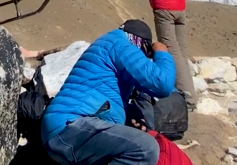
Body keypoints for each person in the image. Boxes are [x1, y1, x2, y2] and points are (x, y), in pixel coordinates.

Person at [40, 19, 176, 165]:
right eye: (145, 53)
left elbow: (105, 95)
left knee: (133, 143)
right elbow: (162, 84)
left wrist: (129, 116)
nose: (144, 57)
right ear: (141, 43)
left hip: (67, 127)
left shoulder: (111, 43)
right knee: (145, 149)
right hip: (69, 126)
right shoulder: (121, 45)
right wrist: (161, 53)